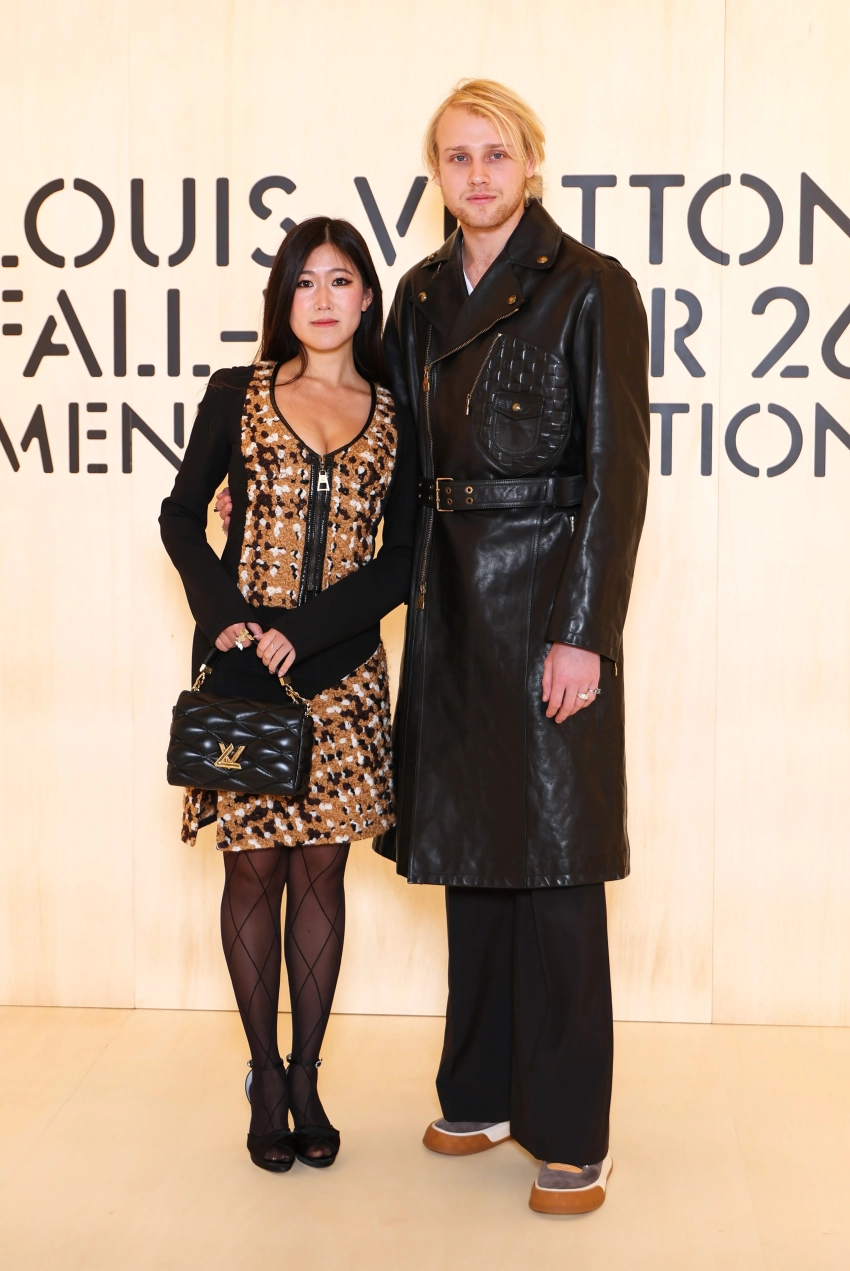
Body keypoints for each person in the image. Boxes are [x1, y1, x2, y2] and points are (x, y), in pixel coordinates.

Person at [376, 79, 650, 1214]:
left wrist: (583, 631)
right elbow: (388, 448)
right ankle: (480, 1088)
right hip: (446, 602)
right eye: (457, 157)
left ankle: (572, 1126)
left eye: (496, 154)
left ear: (532, 162)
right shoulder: (419, 293)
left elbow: (617, 476)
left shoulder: (588, 285)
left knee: (556, 867)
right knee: (470, 856)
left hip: (544, 599)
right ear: (437, 173)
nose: (477, 175)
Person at [160, 217, 416, 1173]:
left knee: (320, 875)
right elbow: (181, 516)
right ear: (283, 299)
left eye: (340, 280)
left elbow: (401, 559)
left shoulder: (396, 414)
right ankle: (263, 1077)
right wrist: (228, 615)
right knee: (253, 873)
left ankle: (308, 1076)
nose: (321, 299)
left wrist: (303, 632)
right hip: (243, 680)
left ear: (365, 297)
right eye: (304, 281)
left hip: (341, 677)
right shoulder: (237, 393)